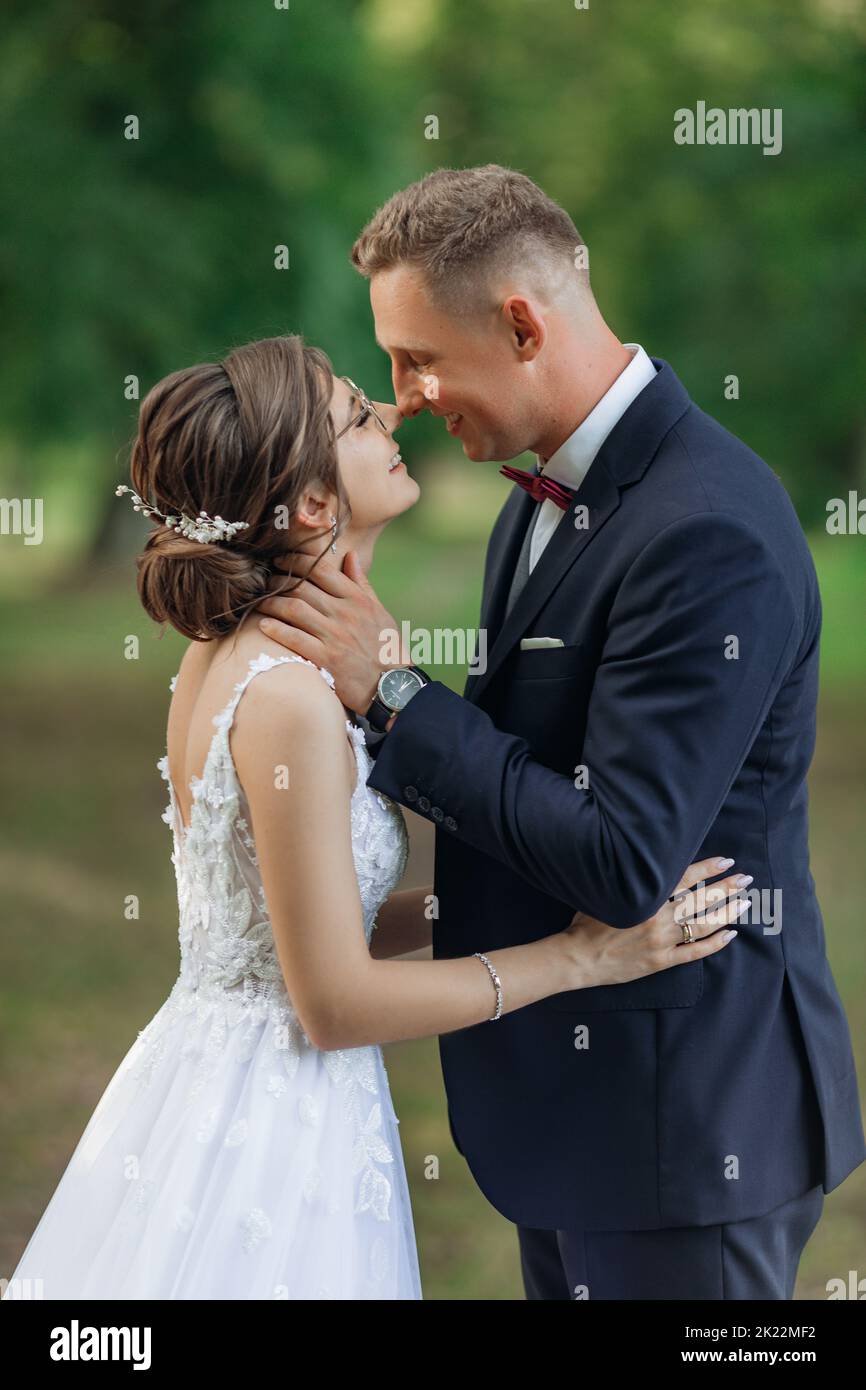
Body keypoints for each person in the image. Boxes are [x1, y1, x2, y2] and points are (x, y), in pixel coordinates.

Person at [1, 335, 743, 1301]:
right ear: (312, 505)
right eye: (359, 415)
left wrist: (516, 904)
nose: (394, 415)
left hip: (235, 1077)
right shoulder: (291, 704)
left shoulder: (233, 656)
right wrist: (581, 959)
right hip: (271, 1128)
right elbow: (334, 1002)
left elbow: (298, 925)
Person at [256, 166, 866, 1300]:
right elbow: (524, 785)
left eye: (415, 357)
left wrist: (393, 697)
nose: (405, 396)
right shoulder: (531, 504)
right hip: (581, 1124)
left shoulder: (706, 529)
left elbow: (623, 857)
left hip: (682, 1126)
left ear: (522, 323)